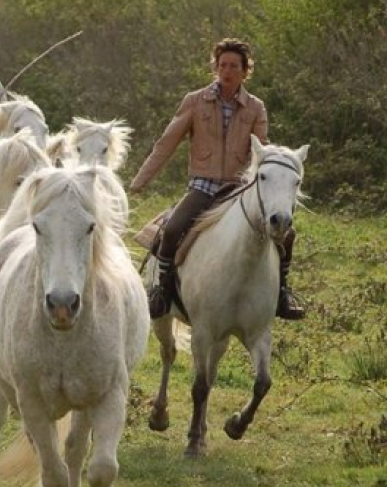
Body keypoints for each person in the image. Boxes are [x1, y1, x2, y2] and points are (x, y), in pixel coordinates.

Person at [129, 38, 304, 321]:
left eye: (234, 66)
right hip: (202, 186)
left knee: (289, 234)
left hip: (237, 189)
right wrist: (141, 180)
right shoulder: (195, 101)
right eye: (223, 65)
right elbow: (167, 142)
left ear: (245, 71)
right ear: (215, 67)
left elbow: (260, 150)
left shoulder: (255, 108)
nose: (227, 71)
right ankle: (161, 291)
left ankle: (282, 293)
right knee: (172, 230)